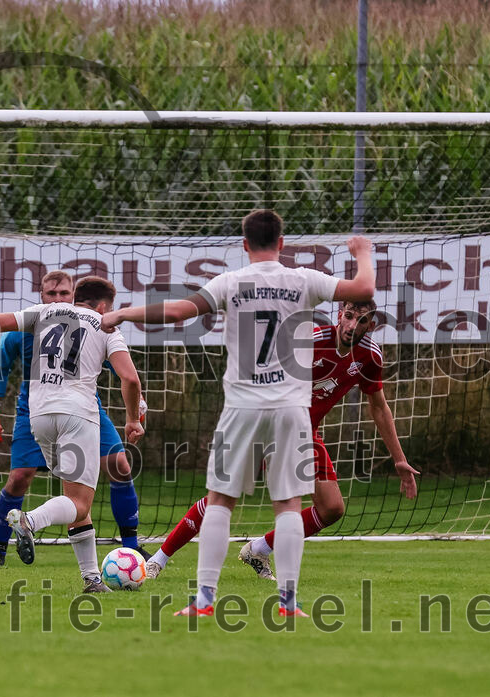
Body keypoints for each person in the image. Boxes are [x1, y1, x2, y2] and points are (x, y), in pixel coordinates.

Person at [101, 209, 375, 617]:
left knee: (220, 501)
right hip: (290, 410)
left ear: (245, 245)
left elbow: (177, 312)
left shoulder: (231, 282)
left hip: (243, 406)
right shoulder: (304, 279)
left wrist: (122, 314)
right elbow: (364, 286)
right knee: (288, 504)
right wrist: (362, 252)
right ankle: (288, 603)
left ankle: (204, 601)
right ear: (281, 243)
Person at [144, 299, 420, 580]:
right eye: (348, 316)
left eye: (360, 321)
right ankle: (157, 561)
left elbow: (378, 407)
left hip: (304, 434)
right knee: (222, 497)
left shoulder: (369, 357)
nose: (351, 325)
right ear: (339, 315)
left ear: (370, 325)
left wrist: (399, 460)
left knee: (332, 508)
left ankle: (258, 549)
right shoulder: (310, 343)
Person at [0, 277, 144, 592]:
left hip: (39, 416)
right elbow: (130, 379)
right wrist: (133, 419)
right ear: (104, 306)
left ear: (75, 296)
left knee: (73, 499)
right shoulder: (106, 325)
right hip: (77, 415)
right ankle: (29, 521)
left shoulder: (43, 312)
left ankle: (92, 579)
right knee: (79, 502)